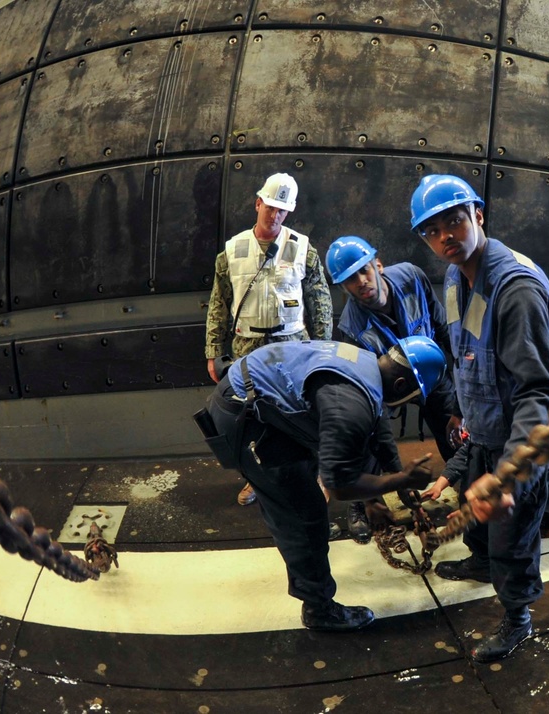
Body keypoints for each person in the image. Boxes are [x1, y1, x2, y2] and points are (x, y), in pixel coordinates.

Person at [410, 174, 549, 663]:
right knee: (476, 522)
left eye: (454, 220)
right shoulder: (455, 280)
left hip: (533, 442)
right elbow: (470, 357)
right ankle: (479, 561)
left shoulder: (516, 290)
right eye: (432, 229)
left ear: (478, 215)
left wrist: (511, 472)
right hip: (490, 432)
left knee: (511, 534)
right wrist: (464, 429)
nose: (445, 235)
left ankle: (517, 619)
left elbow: (539, 394)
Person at [199, 337, 447, 631]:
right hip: (243, 419)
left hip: (257, 400)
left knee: (307, 480)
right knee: (303, 512)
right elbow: (340, 485)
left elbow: (375, 435)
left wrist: (391, 490)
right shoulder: (349, 404)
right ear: (402, 386)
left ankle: (309, 556)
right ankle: (319, 609)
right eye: (415, 398)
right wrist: (400, 479)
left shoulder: (365, 366)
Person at [204, 173, 334, 508]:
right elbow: (218, 304)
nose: (274, 216)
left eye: (282, 211)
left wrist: (324, 347)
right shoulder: (232, 252)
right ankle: (257, 481)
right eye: (271, 207)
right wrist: (213, 352)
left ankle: (315, 474)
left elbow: (320, 301)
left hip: (294, 345)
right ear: (258, 202)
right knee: (250, 417)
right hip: (248, 347)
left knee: (303, 411)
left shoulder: (302, 249)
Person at [325, 235, 464, 541]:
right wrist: (399, 479)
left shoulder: (413, 277)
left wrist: (458, 402)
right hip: (387, 388)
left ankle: (466, 483)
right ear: (343, 287)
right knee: (366, 436)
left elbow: (442, 330)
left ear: (378, 264)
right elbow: (369, 401)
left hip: (430, 372)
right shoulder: (351, 330)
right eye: (350, 280)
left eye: (364, 270)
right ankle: (365, 504)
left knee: (453, 429)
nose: (361, 282)